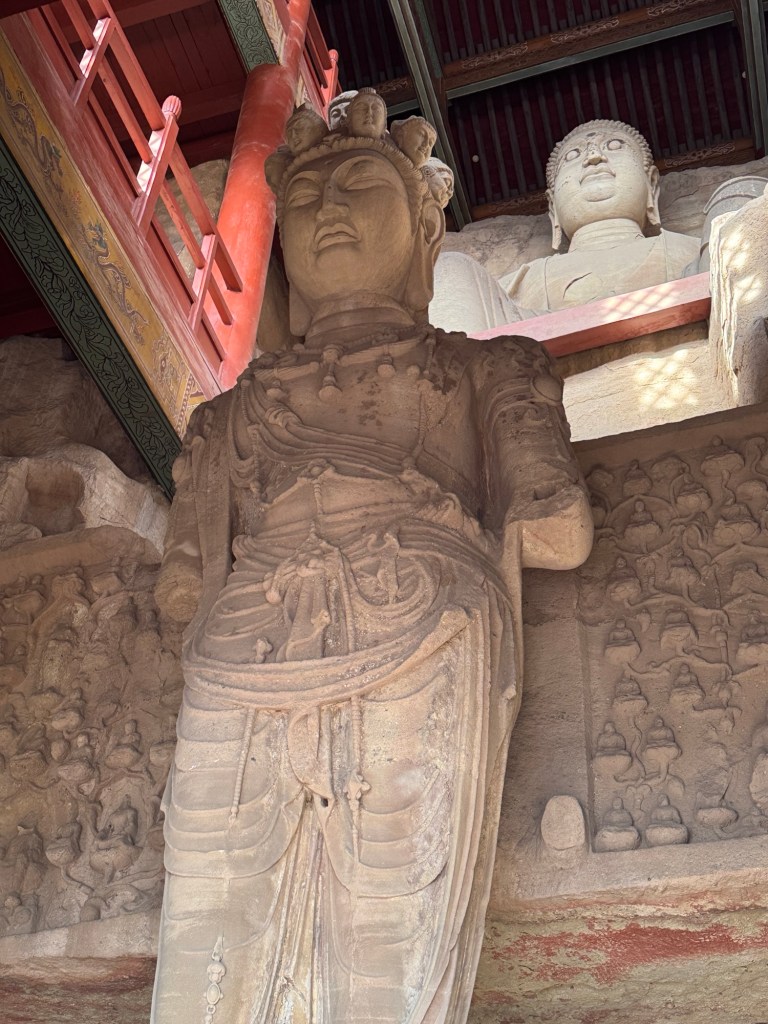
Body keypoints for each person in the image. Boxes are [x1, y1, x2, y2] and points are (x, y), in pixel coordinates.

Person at [151, 91, 592, 1024]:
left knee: (389, 917)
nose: (330, 212)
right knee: (206, 917)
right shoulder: (224, 418)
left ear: (426, 229)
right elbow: (184, 579)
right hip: (244, 643)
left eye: (360, 184)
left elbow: (558, 525)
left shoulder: (490, 369)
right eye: (306, 200)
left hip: (419, 617)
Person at [502, 119, 700, 312]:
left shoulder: (691, 251)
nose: (594, 157)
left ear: (652, 184)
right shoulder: (525, 283)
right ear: (552, 205)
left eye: (614, 146)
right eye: (572, 156)